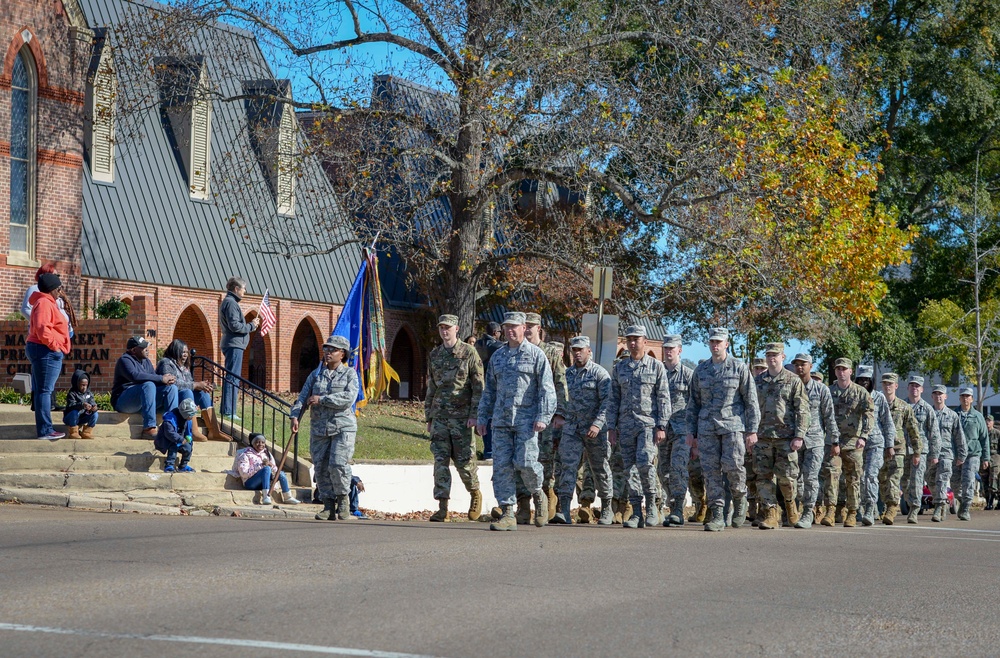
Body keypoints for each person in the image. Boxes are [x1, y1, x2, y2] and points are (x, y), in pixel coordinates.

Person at [477, 311, 556, 531]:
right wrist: (483, 417)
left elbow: (547, 390)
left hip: (526, 421)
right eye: (507, 327)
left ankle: (538, 494)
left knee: (526, 463)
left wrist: (543, 416)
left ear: (524, 328)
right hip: (501, 422)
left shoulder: (536, 355)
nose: (510, 331)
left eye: (515, 326)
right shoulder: (498, 356)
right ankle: (508, 513)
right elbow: (489, 390)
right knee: (501, 467)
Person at [687, 327, 759, 532]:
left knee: (734, 467)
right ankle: (717, 513)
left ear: (726, 344)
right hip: (707, 427)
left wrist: (752, 430)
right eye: (712, 342)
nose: (715, 345)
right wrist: (691, 432)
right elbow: (693, 403)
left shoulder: (738, 367)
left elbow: (751, 401)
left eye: (719, 341)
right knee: (710, 472)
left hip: (732, 427)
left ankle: (739, 499)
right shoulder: (701, 371)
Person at [291, 335, 359, 521]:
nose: (328, 353)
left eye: (333, 350)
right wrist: (295, 415)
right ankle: (328, 506)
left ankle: (343, 501)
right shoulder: (316, 375)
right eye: (326, 349)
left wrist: (323, 399)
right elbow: (303, 397)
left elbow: (348, 398)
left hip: (342, 427)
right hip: (320, 429)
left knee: (338, 464)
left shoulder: (350, 374)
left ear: (342, 354)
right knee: (320, 467)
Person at [608, 324, 670, 528]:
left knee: (645, 464)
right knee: (630, 469)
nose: (633, 343)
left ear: (644, 341)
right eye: (629, 339)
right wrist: (611, 427)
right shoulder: (620, 368)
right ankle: (636, 512)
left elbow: (663, 398)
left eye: (636, 339)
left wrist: (661, 426)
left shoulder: (656, 366)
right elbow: (613, 399)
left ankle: (652, 505)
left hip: (648, 426)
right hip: (625, 426)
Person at [424, 314, 484, 522]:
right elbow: (431, 386)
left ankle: (475, 493)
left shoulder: (469, 352)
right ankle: (442, 507)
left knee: (464, 462)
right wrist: (429, 416)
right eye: (441, 327)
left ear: (457, 329)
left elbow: (478, 387)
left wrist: (475, 415)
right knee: (440, 462)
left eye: (448, 327)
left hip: (461, 417)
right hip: (440, 416)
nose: (444, 331)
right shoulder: (435, 355)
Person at [551, 335, 614, 525]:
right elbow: (561, 402)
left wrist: (597, 424)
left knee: (600, 469)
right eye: (574, 350)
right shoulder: (567, 374)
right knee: (566, 468)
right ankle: (564, 510)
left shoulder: (600, 374)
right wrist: (558, 428)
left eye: (580, 350)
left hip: (594, 431)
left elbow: (607, 403)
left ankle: (607, 508)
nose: (577, 353)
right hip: (572, 430)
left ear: (589, 351)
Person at [752, 342, 810, 530]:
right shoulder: (758, 381)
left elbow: (803, 410)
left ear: (782, 357)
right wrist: (750, 432)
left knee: (786, 479)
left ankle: (790, 506)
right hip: (762, 437)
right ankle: (770, 513)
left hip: (786, 437)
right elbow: (750, 408)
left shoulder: (793, 380)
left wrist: (799, 435)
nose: (771, 358)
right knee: (763, 477)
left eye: (775, 355)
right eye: (769, 355)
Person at [822, 358, 874, 528]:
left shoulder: (860, 392)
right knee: (831, 476)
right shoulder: (828, 391)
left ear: (851, 371)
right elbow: (822, 415)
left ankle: (851, 513)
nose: (841, 372)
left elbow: (869, 415)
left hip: (853, 442)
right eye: (838, 369)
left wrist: (864, 436)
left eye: (844, 369)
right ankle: (830, 510)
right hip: (833, 442)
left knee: (853, 478)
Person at [790, 353, 837, 529]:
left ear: (810, 366)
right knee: (793, 479)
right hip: (793, 440)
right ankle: (793, 511)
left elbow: (829, 416)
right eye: (796, 365)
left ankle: (808, 512)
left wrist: (834, 441)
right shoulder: (790, 386)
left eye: (803, 364)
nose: (799, 368)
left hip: (815, 441)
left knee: (810, 477)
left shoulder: (821, 389)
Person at [25, 273, 72, 440]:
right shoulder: (44, 303)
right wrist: (55, 346)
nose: (60, 291)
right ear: (52, 289)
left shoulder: (44, 302)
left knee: (41, 391)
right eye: (59, 288)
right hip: (45, 350)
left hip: (42, 349)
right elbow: (42, 328)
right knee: (45, 391)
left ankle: (44, 429)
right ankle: (45, 430)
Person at [156, 339, 226, 442]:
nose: (185, 355)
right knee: (187, 392)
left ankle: (214, 431)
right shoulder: (166, 363)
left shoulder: (184, 367)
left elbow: (190, 383)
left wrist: (203, 386)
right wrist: (196, 385)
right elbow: (172, 383)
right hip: (170, 398)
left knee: (202, 394)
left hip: (183, 398)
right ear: (175, 350)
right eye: (183, 352)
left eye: (186, 352)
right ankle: (193, 431)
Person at [657, 334, 694, 526]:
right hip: (662, 430)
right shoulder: (658, 372)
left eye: (672, 348)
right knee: (663, 471)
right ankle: (673, 505)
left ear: (680, 350)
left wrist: (694, 434)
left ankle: (678, 509)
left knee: (678, 468)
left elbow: (696, 403)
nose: (668, 351)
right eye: (666, 348)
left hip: (682, 430)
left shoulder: (688, 375)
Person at [111, 336, 179, 439]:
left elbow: (154, 380)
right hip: (124, 401)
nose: (147, 350)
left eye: (147, 347)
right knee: (148, 385)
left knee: (171, 389)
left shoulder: (146, 361)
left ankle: (171, 427)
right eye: (143, 348)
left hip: (143, 402)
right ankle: (149, 428)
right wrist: (161, 378)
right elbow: (135, 376)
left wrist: (167, 380)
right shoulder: (125, 360)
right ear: (134, 350)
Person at [878, 373, 922, 525]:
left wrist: (917, 452)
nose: (887, 386)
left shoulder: (904, 406)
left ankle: (892, 508)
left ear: (896, 386)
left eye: (890, 384)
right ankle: (885, 505)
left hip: (898, 449)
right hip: (879, 448)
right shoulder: (876, 404)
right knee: (882, 480)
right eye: (885, 383)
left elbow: (913, 431)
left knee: (893, 479)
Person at [855, 365, 895, 527]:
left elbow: (887, 422)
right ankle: (857, 508)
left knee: (870, 476)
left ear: (871, 381)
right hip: (856, 443)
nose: (864, 382)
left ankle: (870, 509)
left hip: (875, 443)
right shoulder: (852, 395)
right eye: (861, 379)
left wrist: (890, 445)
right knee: (855, 478)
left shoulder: (879, 397)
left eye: (867, 380)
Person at [219, 277, 261, 421]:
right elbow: (235, 326)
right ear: (236, 289)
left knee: (232, 377)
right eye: (244, 288)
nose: (245, 291)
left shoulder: (230, 302)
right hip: (233, 344)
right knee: (232, 378)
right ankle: (228, 411)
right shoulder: (231, 303)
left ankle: (227, 409)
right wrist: (250, 326)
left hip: (233, 344)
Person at [904, 375, 939, 524]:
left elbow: (935, 432)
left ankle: (914, 509)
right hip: (903, 449)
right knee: (903, 482)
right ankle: (908, 501)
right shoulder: (902, 405)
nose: (914, 388)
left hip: (920, 451)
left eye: (917, 386)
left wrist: (935, 453)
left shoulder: (927, 408)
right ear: (908, 388)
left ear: (922, 389)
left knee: (917, 481)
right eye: (912, 385)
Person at [929, 385, 965, 523]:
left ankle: (938, 506)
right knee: (930, 479)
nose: (938, 396)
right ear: (932, 396)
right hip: (930, 454)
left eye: (941, 394)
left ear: (946, 396)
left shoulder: (952, 415)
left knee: (942, 479)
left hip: (946, 453)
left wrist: (961, 455)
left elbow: (959, 436)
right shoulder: (928, 413)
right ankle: (942, 502)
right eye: (936, 394)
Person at [237, 433, 300, 505]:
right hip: (250, 482)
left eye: (263, 442)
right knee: (266, 469)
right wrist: (260, 466)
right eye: (257, 442)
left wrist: (271, 465)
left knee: (281, 473)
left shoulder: (267, 454)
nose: (260, 444)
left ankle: (287, 497)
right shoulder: (245, 454)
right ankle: (266, 496)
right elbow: (244, 473)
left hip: (264, 482)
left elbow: (275, 470)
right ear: (253, 443)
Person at [956, 387, 989, 521]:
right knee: (955, 484)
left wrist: (985, 458)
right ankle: (962, 500)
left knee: (968, 480)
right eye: (963, 396)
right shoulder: (954, 414)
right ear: (960, 398)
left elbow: (984, 437)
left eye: (968, 396)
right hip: (957, 454)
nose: (965, 399)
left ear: (972, 399)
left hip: (972, 454)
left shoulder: (978, 416)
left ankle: (965, 509)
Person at [474, 321, 503, 460]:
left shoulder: (477, 344)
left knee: (483, 415)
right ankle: (490, 451)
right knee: (491, 417)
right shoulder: (498, 346)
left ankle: (487, 449)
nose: (500, 335)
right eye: (499, 332)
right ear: (495, 332)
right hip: (491, 384)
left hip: (478, 383)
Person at [155, 398, 198, 473]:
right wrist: (180, 439)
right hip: (168, 440)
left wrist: (189, 440)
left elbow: (188, 432)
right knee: (174, 447)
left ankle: (183, 466)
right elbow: (169, 433)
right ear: (185, 413)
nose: (192, 417)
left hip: (181, 439)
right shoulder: (169, 420)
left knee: (188, 448)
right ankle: (169, 465)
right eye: (191, 414)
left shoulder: (188, 420)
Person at [63, 369, 98, 440]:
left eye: (86, 385)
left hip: (82, 417)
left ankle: (86, 432)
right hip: (71, 418)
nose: (84, 387)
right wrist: (82, 405)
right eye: (82, 385)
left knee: (95, 414)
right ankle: (73, 432)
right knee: (74, 412)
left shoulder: (89, 393)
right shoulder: (72, 393)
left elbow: (92, 402)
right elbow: (71, 405)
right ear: (77, 383)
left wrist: (94, 407)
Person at [987, 415, 1000, 510]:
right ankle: (988, 501)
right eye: (986, 421)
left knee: (994, 479)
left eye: (989, 421)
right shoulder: (982, 433)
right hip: (984, 458)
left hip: (995, 458)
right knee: (984, 480)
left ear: (993, 422)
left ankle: (993, 502)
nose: (987, 423)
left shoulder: (997, 433)